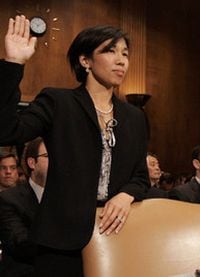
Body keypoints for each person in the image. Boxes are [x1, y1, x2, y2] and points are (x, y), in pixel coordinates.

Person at [0, 15, 149, 276]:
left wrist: (126, 196)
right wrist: (14, 64)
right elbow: (6, 131)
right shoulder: (59, 102)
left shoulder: (134, 116)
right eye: (110, 51)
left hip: (117, 237)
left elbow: (139, 176)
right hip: (61, 242)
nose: (121, 60)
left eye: (125, 53)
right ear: (85, 61)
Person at [0, 137, 48, 276]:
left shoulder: (68, 197)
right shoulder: (9, 199)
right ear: (32, 163)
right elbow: (22, 245)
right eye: (47, 156)